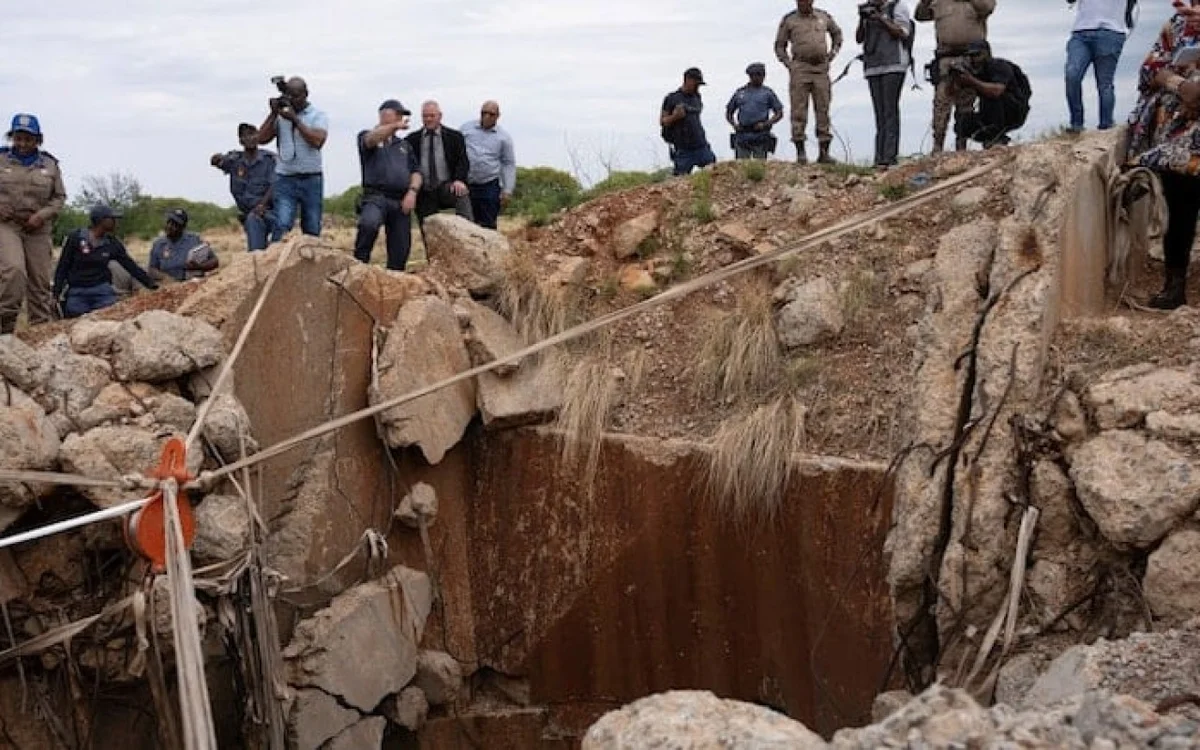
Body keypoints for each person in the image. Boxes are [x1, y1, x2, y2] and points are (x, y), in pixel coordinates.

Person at [1125, 0, 1200, 309]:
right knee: (1180, 196)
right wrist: (1180, 84)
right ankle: (1174, 284)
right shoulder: (1178, 25)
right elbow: (1150, 68)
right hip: (1180, 129)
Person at [0, 114, 66, 333]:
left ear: (37, 140)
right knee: (14, 271)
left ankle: (39, 332)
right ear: (12, 137)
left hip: (38, 229)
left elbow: (59, 198)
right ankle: (5, 328)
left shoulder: (50, 164)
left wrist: (42, 215)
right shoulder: (2, 159)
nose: (23, 144)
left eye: (28, 139)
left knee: (40, 281)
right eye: (18, 138)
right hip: (7, 226)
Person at [915, 0, 996, 153]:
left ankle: (961, 145)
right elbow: (920, 16)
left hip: (970, 58)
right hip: (945, 58)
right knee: (941, 103)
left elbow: (988, 7)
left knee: (966, 105)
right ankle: (937, 146)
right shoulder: (939, 2)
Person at [53, 206, 157, 318]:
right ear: (102, 221)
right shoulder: (76, 238)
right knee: (74, 314)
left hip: (102, 291)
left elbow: (131, 266)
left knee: (109, 315)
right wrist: (56, 293)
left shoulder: (111, 243)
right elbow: (63, 266)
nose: (116, 222)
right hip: (78, 291)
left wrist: (151, 284)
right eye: (113, 219)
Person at [354, 100, 423, 271]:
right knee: (369, 224)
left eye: (401, 115)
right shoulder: (367, 135)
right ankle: (357, 266)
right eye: (397, 114)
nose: (401, 118)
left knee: (401, 247)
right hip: (375, 197)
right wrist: (393, 127)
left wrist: (412, 192)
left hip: (400, 200)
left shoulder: (404, 145)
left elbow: (416, 171)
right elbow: (371, 139)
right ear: (384, 115)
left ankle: (395, 278)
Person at [256, 76, 328, 237]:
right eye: (289, 96)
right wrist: (273, 114)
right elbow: (261, 138)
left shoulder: (317, 115)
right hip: (285, 179)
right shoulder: (281, 116)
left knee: (312, 226)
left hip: (311, 179)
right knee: (282, 224)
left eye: (296, 96)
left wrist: (295, 119)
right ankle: (276, 260)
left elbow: (317, 141)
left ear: (306, 94)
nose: (292, 100)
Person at [775, 0, 843, 164]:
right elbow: (779, 45)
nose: (803, 3)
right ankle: (801, 153)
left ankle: (824, 153)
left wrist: (832, 53)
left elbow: (837, 34)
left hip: (821, 68)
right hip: (800, 68)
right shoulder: (789, 20)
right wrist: (789, 64)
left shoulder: (823, 16)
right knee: (799, 110)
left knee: (823, 108)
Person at [858, 0, 915, 168]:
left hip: (894, 64)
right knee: (879, 113)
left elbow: (903, 32)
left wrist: (881, 18)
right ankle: (879, 157)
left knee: (890, 110)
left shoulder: (898, 7)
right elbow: (859, 38)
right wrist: (862, 19)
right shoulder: (869, 10)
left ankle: (890, 157)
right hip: (873, 66)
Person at [1065, 0, 1136, 132]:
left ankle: (1106, 125)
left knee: (1104, 83)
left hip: (1111, 31)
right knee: (1072, 75)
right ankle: (1076, 124)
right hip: (1081, 32)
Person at [211, 123, 280, 251]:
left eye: (253, 134)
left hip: (269, 211)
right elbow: (216, 162)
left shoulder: (268, 160)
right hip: (249, 214)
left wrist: (262, 205)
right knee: (255, 240)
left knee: (280, 235)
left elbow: (275, 185)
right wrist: (217, 159)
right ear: (241, 140)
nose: (251, 138)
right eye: (246, 135)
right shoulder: (235, 160)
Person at [948, 41, 1031, 147]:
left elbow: (997, 91)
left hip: (1013, 111)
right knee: (963, 122)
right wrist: (955, 79)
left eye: (977, 55)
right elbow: (953, 95)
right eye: (971, 56)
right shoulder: (975, 71)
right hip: (989, 115)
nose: (974, 59)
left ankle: (996, 138)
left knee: (992, 97)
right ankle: (984, 139)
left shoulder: (999, 65)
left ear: (987, 53)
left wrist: (971, 81)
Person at [405, 101, 473, 225]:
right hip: (424, 190)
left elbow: (463, 161)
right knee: (428, 228)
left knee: (461, 192)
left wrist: (459, 180)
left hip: (446, 186)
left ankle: (468, 233)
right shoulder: (411, 140)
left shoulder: (455, 137)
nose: (428, 119)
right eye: (425, 116)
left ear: (440, 116)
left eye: (432, 116)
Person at [461, 101, 516, 229]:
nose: (486, 117)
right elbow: (456, 152)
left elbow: (508, 163)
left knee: (488, 224)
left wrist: (508, 189)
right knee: (467, 223)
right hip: (467, 184)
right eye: (483, 113)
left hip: (489, 184)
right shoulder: (466, 129)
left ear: (497, 116)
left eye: (491, 114)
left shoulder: (504, 137)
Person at [661, 68, 718, 175]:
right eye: (696, 84)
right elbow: (663, 121)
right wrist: (675, 117)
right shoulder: (671, 98)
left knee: (713, 172)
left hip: (700, 145)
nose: (697, 87)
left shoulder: (697, 97)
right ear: (688, 80)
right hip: (683, 149)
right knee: (680, 179)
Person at [725, 63, 786, 159]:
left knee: (760, 165)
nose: (759, 77)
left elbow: (779, 113)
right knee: (741, 166)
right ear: (750, 76)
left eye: (761, 74)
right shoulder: (740, 92)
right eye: (756, 74)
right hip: (742, 135)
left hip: (760, 135)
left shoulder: (767, 93)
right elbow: (729, 112)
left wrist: (766, 123)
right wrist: (734, 124)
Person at [148, 209, 219, 283]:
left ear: (183, 227)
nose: (169, 226)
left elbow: (215, 261)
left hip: (194, 285)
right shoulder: (158, 244)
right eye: (169, 222)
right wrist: (167, 279)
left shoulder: (195, 239)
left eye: (175, 224)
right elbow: (152, 269)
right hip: (169, 287)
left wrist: (200, 266)